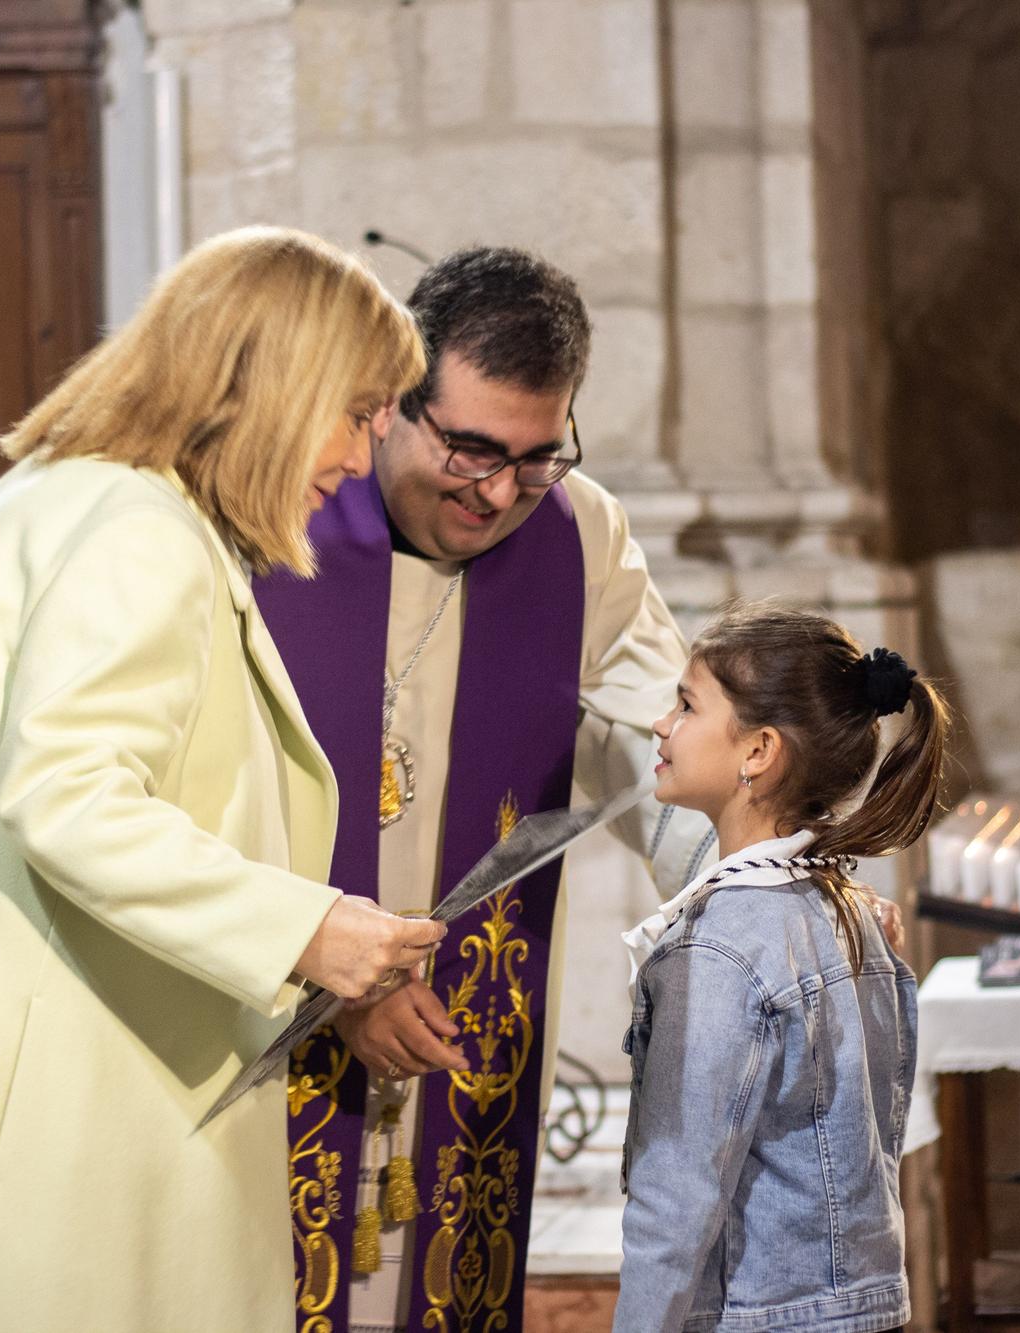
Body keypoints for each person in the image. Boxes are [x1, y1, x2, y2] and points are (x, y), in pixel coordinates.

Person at [0, 225, 449, 1331]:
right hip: (3, 1065)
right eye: (357, 411)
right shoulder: (134, 530)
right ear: (273, 387)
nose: (364, 453)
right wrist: (308, 931)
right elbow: (67, 795)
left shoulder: (73, 491)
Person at [252, 246, 713, 1333]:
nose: (497, 492)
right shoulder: (275, 514)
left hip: (463, 1036)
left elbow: (664, 745)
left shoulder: (575, 536)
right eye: (468, 448)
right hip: (270, 1020)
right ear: (392, 400)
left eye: (535, 456)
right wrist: (331, 979)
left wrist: (755, 878)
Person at [615, 601, 949, 1333]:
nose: (659, 725)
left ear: (758, 751)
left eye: (686, 704)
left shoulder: (718, 947)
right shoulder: (853, 908)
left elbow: (675, 1201)